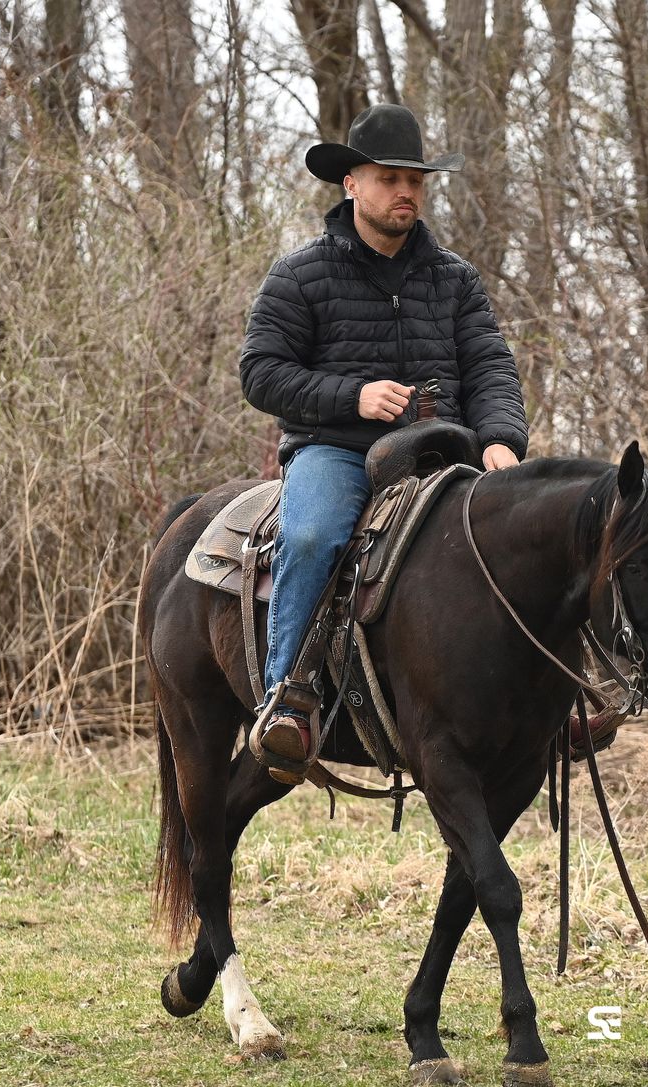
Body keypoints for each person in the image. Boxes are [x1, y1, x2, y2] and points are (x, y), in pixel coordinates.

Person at [239, 103, 528, 780]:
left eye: (415, 180)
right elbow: (261, 372)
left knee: (533, 535)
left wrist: (500, 440)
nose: (406, 191)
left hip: (445, 454)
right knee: (312, 537)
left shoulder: (454, 279)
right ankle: (287, 699)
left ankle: (550, 699)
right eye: (389, 178)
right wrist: (354, 397)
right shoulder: (300, 274)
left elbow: (490, 367)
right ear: (351, 184)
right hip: (337, 451)